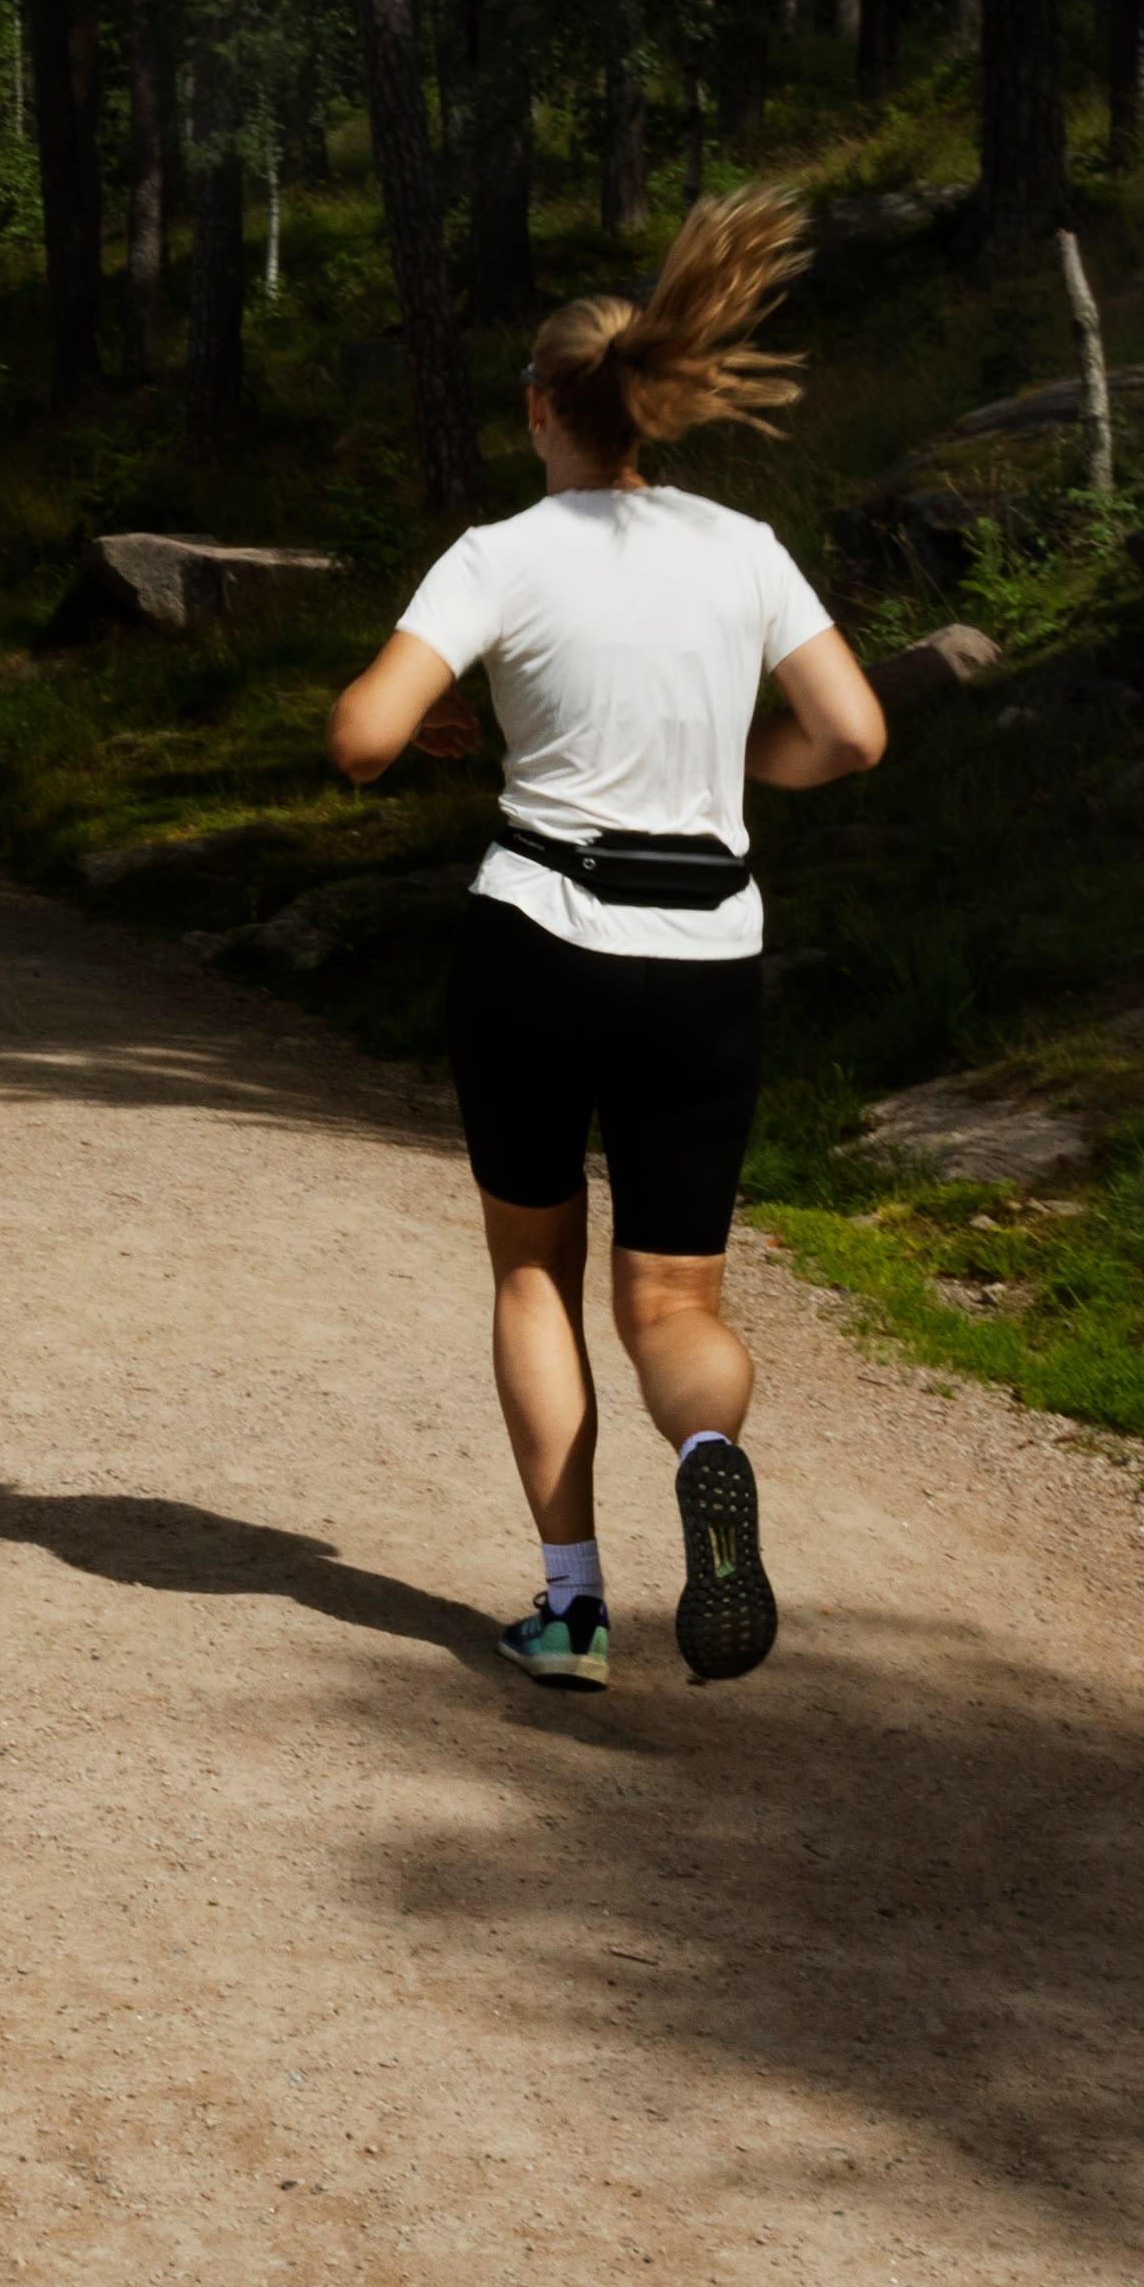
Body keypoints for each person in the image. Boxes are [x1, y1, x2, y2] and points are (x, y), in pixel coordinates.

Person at [321, 190, 890, 1686]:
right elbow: (854, 731)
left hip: (536, 944)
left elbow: (361, 737)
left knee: (533, 1274)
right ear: (656, 408)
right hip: (703, 954)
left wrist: (444, 723)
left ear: (539, 412)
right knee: (675, 1302)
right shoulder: (743, 550)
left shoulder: (499, 555)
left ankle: (572, 1606)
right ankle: (709, 1446)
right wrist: (732, 776)